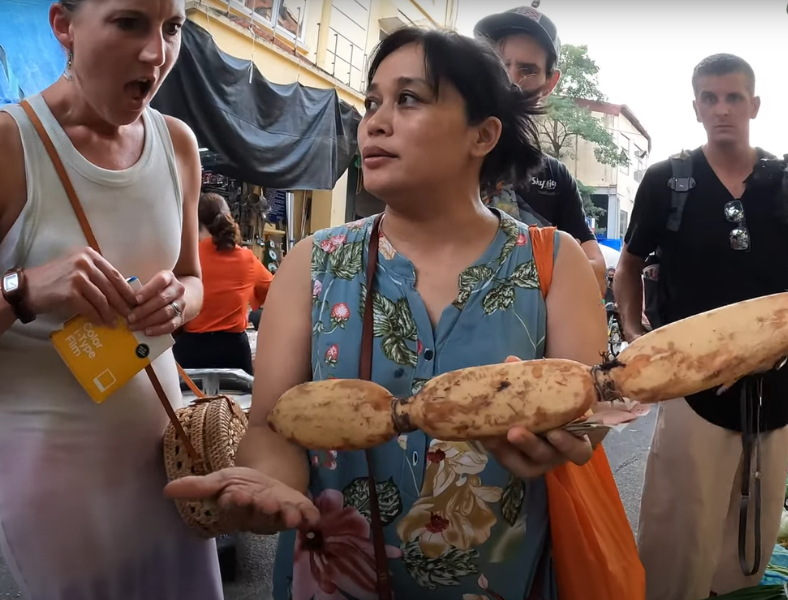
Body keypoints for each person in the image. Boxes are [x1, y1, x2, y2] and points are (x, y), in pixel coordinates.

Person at [167, 27, 607, 600]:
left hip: (504, 578)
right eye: (373, 101)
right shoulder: (312, 265)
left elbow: (587, 412)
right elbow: (272, 429)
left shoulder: (555, 263)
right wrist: (267, 487)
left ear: (483, 134)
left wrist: (571, 440)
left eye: (409, 99)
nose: (374, 121)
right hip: (336, 578)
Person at [0, 1, 224, 598]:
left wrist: (179, 301)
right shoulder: (3, 146)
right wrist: (25, 289)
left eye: (172, 28)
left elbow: (193, 279)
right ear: (64, 25)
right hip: (57, 476)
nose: (156, 54)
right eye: (129, 23)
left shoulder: (177, 143)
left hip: (173, 456)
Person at [614, 53, 788, 599]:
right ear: (695, 107)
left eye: (734, 97)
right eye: (709, 99)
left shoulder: (783, 180)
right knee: (680, 528)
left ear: (754, 105)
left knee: (752, 532)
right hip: (693, 386)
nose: (722, 109)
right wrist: (635, 334)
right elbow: (629, 263)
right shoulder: (668, 180)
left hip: (777, 383)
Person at [474, 6, 607, 290]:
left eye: (528, 70)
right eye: (500, 64)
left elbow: (596, 270)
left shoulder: (555, 177)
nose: (510, 80)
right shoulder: (442, 157)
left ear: (550, 82)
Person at [174, 192, 272, 375]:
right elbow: (275, 293)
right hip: (233, 352)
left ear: (197, 224)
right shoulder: (246, 258)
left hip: (190, 351)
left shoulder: (186, 257)